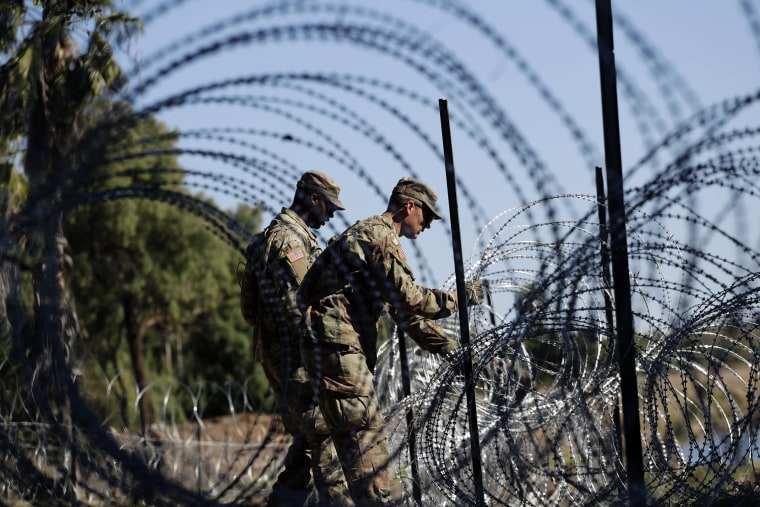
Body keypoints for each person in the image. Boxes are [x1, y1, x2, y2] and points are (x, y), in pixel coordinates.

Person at [297, 177, 483, 506]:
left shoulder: (372, 239)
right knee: (368, 454)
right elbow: (412, 300)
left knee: (351, 459)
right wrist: (461, 298)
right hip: (339, 351)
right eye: (426, 216)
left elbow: (407, 317)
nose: (426, 225)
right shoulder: (379, 235)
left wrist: (455, 352)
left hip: (332, 351)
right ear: (408, 206)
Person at [240, 170, 351, 506]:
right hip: (299, 360)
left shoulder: (264, 239)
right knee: (326, 441)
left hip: (282, 358)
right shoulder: (290, 241)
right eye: (328, 206)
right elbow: (299, 309)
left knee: (307, 443)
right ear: (313, 200)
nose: (331, 215)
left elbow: (248, 311)